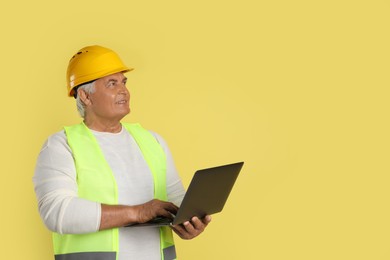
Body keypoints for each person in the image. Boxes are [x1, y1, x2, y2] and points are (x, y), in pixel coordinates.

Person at [33, 45, 211, 260]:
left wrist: (189, 221)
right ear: (85, 96)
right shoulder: (61, 145)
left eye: (124, 82)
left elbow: (175, 198)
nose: (123, 91)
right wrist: (137, 212)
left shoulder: (152, 141)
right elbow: (57, 213)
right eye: (112, 83)